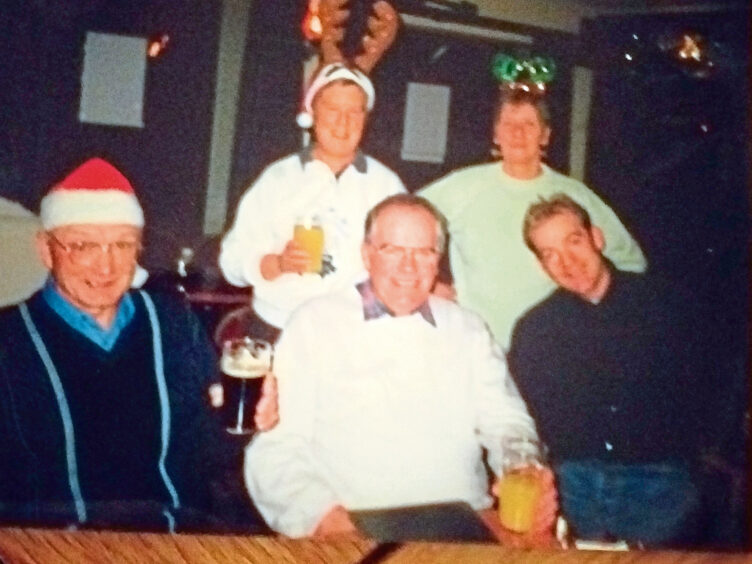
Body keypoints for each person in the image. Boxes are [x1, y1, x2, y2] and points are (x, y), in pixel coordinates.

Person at [245, 194, 557, 539]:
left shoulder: (467, 329)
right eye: (393, 250)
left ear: (438, 260)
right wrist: (327, 521)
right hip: (354, 525)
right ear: (366, 255)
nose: (409, 268)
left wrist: (524, 466)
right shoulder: (315, 323)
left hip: (465, 524)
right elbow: (275, 449)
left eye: (424, 252)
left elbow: (507, 422)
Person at [0, 157, 277, 532]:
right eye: (83, 246)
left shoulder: (173, 324)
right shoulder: (10, 343)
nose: (106, 267)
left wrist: (242, 423)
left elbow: (205, 458)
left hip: (177, 542)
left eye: (122, 245)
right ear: (46, 250)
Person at [508, 194, 704, 547]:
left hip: (660, 480)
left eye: (574, 242)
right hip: (574, 485)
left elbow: (714, 386)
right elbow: (530, 420)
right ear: (542, 266)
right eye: (550, 254)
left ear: (596, 238)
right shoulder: (534, 330)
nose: (567, 262)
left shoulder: (666, 304)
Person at [420, 87, 646, 349]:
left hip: (558, 350)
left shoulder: (574, 195)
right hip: (479, 348)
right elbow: (401, 224)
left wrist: (603, 322)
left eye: (529, 123)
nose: (518, 133)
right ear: (495, 134)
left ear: (545, 135)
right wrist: (429, 286)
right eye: (509, 124)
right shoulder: (462, 186)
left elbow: (631, 262)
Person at [219, 62, 405, 343]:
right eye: (332, 110)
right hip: (278, 328)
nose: (343, 123)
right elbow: (231, 262)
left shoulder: (387, 186)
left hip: (353, 333)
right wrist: (277, 263)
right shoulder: (277, 178)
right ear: (312, 113)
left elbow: (403, 262)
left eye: (354, 112)